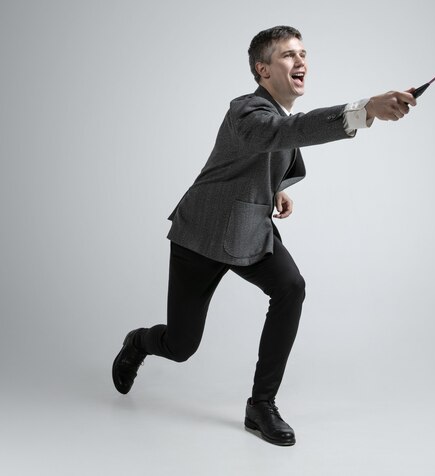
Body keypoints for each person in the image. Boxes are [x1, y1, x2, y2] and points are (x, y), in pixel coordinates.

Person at [112, 25, 416, 446]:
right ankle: (140, 342)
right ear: (262, 70)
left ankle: (261, 405)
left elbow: (270, 147)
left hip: (250, 227)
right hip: (200, 233)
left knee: (291, 289)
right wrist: (364, 109)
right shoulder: (246, 110)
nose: (301, 61)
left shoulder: (278, 116)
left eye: (304, 53)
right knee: (181, 346)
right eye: (289, 55)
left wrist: (274, 189)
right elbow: (276, 135)